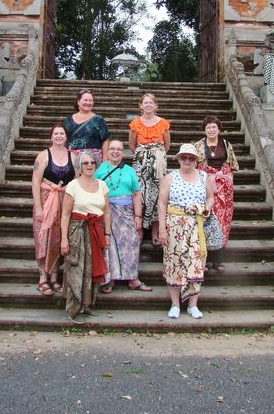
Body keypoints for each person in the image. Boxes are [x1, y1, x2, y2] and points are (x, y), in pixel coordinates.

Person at [157, 143, 214, 320]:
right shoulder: (170, 177)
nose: (187, 161)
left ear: (196, 160)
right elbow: (162, 203)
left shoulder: (204, 176)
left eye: (191, 158)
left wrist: (206, 208)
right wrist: (161, 229)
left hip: (196, 226)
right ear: (179, 159)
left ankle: (192, 305)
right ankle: (175, 304)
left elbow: (210, 197)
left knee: (196, 264)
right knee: (173, 263)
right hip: (174, 226)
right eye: (184, 157)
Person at [95, 139, 152, 293]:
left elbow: (136, 193)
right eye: (112, 149)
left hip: (126, 211)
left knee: (132, 242)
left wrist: (138, 216)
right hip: (107, 211)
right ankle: (110, 279)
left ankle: (133, 278)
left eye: (119, 149)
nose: (115, 151)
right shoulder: (99, 170)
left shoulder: (129, 170)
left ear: (123, 152)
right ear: (107, 152)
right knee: (110, 245)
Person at [60, 151, 111, 322]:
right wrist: (64, 239)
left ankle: (87, 305)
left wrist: (107, 234)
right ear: (79, 167)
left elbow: (107, 211)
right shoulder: (73, 185)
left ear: (96, 165)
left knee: (92, 267)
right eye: (85, 163)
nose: (89, 166)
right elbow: (65, 214)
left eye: (92, 163)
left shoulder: (102, 185)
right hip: (77, 230)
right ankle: (73, 307)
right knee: (76, 267)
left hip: (96, 230)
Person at [32, 124, 75, 296]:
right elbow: (35, 182)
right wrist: (39, 208)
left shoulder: (73, 156)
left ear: (66, 137)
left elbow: (77, 180)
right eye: (56, 133)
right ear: (51, 137)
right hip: (46, 199)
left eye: (62, 133)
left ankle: (55, 278)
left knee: (58, 239)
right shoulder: (43, 156)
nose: (59, 136)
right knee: (44, 238)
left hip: (64, 201)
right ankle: (43, 278)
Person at [194, 115, 239, 273]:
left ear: (219, 129)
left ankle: (218, 260)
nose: (211, 130)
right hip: (205, 185)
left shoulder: (226, 145)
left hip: (223, 189)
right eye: (208, 127)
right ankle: (204, 259)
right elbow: (195, 166)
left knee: (221, 222)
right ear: (204, 130)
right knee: (206, 221)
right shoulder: (198, 145)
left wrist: (222, 177)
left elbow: (232, 167)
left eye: (214, 127)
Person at [129, 93, 170, 245]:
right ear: (141, 106)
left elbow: (167, 145)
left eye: (151, 103)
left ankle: (155, 229)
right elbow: (132, 145)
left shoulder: (163, 123)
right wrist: (144, 157)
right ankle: (139, 229)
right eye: (145, 103)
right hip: (140, 161)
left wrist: (155, 156)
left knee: (157, 193)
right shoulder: (135, 124)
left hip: (158, 161)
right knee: (140, 191)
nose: (148, 105)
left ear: (155, 105)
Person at [64, 88, 110, 165]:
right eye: (85, 100)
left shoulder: (98, 119)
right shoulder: (68, 120)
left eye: (90, 100)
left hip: (92, 160)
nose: (88, 103)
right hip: (72, 158)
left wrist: (105, 161)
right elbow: (64, 139)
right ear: (78, 101)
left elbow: (105, 140)